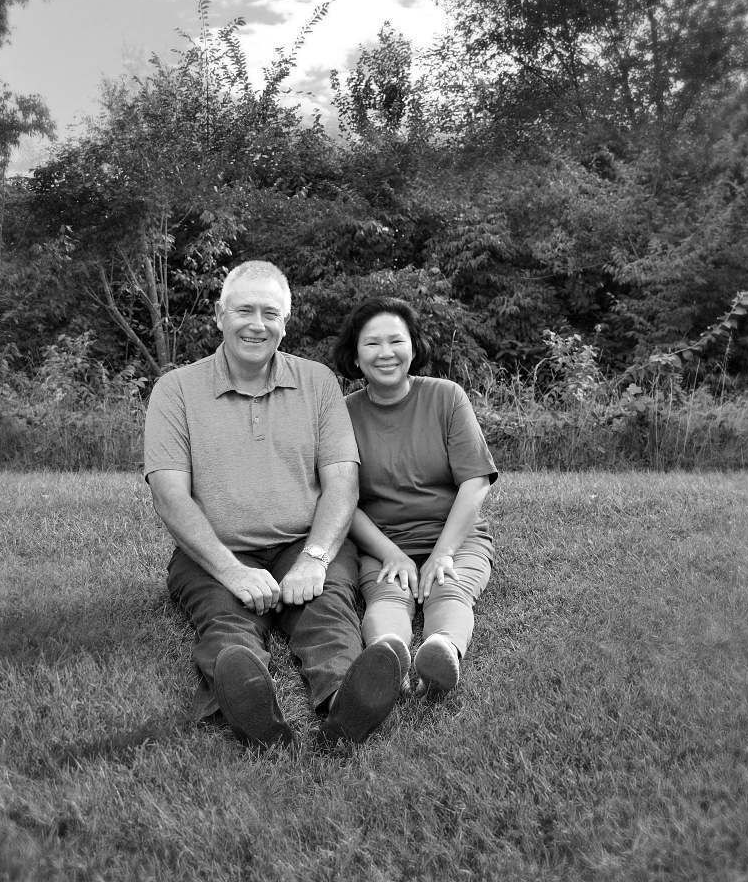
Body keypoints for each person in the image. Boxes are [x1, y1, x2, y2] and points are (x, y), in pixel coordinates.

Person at [143, 261, 404, 748]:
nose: (256, 324)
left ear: (286, 321)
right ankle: (246, 703)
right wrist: (232, 571)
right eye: (244, 310)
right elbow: (168, 494)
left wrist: (316, 556)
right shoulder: (175, 390)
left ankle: (347, 702)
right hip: (214, 551)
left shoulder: (318, 382)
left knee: (326, 612)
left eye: (270, 313)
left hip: (304, 542)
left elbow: (343, 479)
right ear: (220, 315)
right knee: (227, 619)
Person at [332, 296, 498, 696]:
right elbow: (340, 499)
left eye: (396, 341)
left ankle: (443, 649)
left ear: (414, 346)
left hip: (456, 535)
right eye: (372, 344)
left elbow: (475, 480)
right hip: (382, 540)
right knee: (388, 593)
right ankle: (388, 656)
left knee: (449, 587)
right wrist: (390, 553)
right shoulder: (340, 414)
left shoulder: (446, 397)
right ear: (355, 356)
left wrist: (442, 552)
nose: (385, 353)